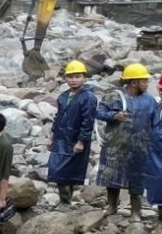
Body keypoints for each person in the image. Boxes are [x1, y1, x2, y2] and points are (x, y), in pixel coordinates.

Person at [96, 63, 158, 219]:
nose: (147, 84)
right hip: (115, 144)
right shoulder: (115, 96)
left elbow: (156, 122)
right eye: (144, 81)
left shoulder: (150, 101)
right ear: (133, 82)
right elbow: (99, 111)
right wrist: (114, 116)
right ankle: (112, 206)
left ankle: (135, 212)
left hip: (140, 146)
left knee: (137, 178)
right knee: (112, 176)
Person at [48, 60, 96, 206]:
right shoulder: (63, 96)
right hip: (61, 138)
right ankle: (65, 200)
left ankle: (66, 201)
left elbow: (88, 121)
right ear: (65, 79)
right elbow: (58, 117)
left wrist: (81, 141)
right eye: (71, 77)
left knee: (68, 171)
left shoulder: (88, 97)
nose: (74, 80)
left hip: (75, 139)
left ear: (84, 78)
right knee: (56, 170)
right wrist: (52, 136)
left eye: (77, 76)